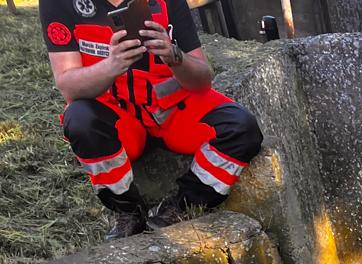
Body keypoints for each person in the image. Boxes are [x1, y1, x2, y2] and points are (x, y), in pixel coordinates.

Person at [41, 0, 263, 240]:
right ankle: (128, 211)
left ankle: (183, 205)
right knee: (79, 120)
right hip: (118, 120)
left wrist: (174, 55)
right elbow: (68, 87)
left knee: (242, 128)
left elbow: (202, 79)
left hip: (173, 110)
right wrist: (112, 66)